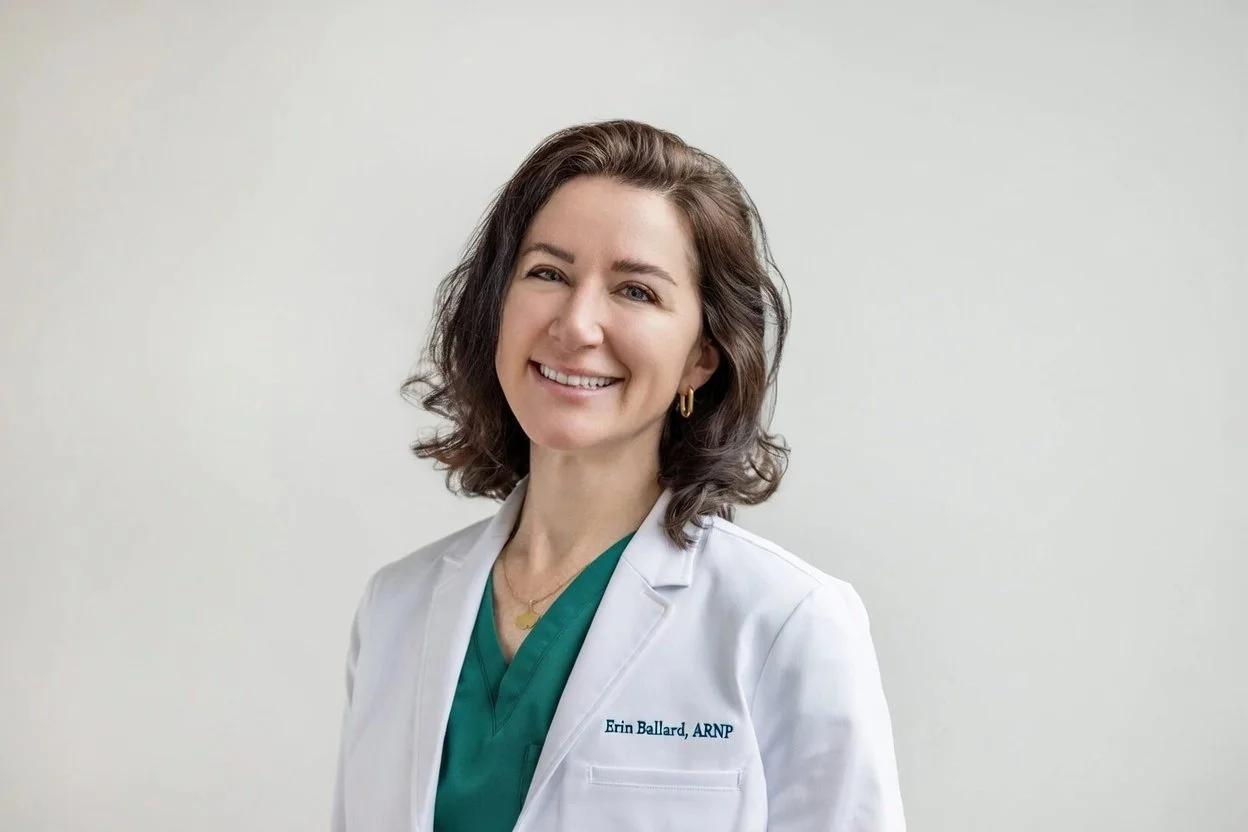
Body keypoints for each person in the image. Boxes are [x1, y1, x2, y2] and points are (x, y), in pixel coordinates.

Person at [331, 119, 906, 831]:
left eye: (636, 291)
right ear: (496, 308)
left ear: (701, 357)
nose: (576, 325)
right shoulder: (395, 609)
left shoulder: (787, 621)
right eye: (548, 274)